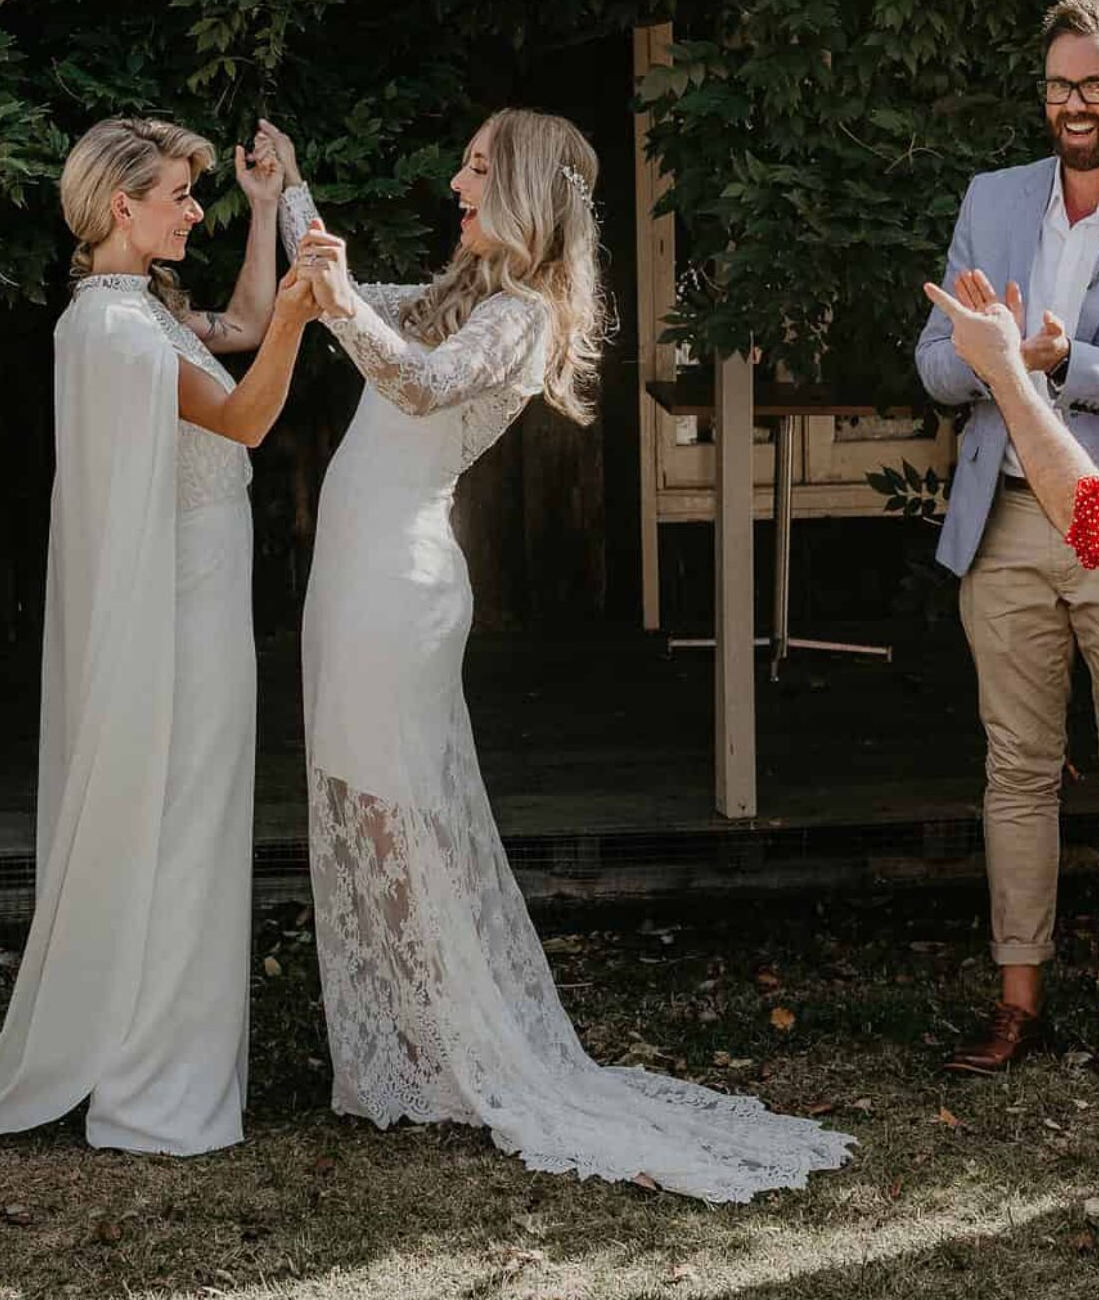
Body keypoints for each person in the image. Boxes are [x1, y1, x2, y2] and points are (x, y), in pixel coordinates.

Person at [253, 111, 850, 1203]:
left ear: (525, 186)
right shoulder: (461, 296)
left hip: (399, 585)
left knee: (393, 806)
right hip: (354, 581)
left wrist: (336, 298)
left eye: (476, 166)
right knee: (360, 792)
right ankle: (420, 1044)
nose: (455, 179)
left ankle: (459, 1048)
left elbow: (421, 384)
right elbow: (357, 306)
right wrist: (289, 191)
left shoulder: (520, 318)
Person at [0, 118, 315, 1155]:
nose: (192, 211)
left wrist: (267, 213)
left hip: (200, 588)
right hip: (183, 606)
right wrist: (305, 313)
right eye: (180, 194)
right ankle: (154, 1081)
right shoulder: (117, 332)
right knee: (186, 818)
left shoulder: (134, 311)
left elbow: (243, 323)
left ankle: (157, 1055)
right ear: (123, 206)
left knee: (191, 815)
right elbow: (251, 414)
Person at [916, 0, 1099, 1090]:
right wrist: (984, 356)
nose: (1073, 103)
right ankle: (1016, 1000)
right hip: (1012, 519)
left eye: (1094, 84)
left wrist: (1065, 359)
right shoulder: (993, 198)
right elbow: (936, 361)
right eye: (1058, 84)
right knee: (1017, 767)